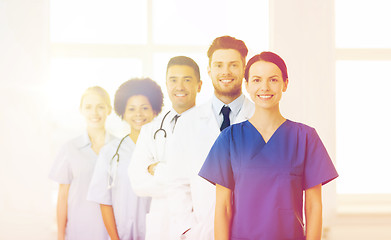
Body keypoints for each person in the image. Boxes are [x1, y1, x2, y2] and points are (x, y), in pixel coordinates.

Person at [199, 51, 339, 240]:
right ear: (247, 85)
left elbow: (313, 206)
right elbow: (223, 207)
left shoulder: (305, 138)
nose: (264, 87)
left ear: (285, 84)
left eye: (273, 80)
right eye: (256, 80)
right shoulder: (229, 138)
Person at [180, 35, 254, 239]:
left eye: (233, 65)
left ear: (244, 69)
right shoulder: (188, 122)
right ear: (209, 70)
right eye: (219, 65)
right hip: (201, 232)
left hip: (252, 230)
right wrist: (187, 229)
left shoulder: (260, 118)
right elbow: (177, 183)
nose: (226, 72)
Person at [128, 56, 202, 240]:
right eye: (173, 80)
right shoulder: (150, 130)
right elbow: (138, 183)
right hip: (161, 227)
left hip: (198, 225)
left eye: (187, 80)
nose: (180, 86)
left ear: (199, 85)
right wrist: (188, 179)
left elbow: (207, 182)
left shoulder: (211, 127)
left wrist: (157, 169)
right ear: (166, 84)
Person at [87, 78, 164, 240]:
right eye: (131, 109)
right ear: (123, 112)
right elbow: (104, 200)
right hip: (121, 234)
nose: (138, 114)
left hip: (159, 232)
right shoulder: (110, 152)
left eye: (144, 108)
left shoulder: (164, 149)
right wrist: (115, 238)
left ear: (155, 111)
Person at [49, 86, 113, 240]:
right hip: (78, 232)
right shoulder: (69, 148)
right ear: (81, 110)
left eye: (100, 107)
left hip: (112, 233)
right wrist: (60, 236)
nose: (94, 113)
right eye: (89, 107)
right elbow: (62, 197)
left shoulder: (120, 148)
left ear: (109, 110)